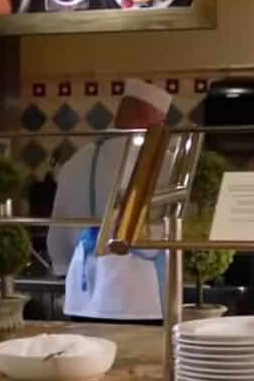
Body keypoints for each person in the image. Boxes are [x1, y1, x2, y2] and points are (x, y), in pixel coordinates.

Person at [47, 79, 172, 323]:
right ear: (145, 120)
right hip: (141, 299)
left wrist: (62, 265)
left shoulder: (76, 161)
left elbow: (58, 231)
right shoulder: (162, 161)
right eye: (160, 124)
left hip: (84, 296)